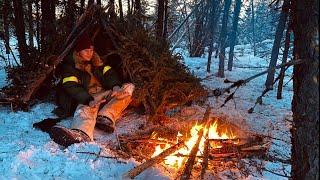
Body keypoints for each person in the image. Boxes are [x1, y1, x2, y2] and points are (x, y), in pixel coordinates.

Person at [50, 34, 134, 147]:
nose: (90, 53)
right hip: (88, 95)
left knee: (128, 88)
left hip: (104, 92)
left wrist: (115, 86)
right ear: (78, 52)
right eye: (86, 50)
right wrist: (88, 100)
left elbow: (109, 73)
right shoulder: (70, 67)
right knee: (85, 109)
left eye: (91, 50)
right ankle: (81, 133)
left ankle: (105, 117)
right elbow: (72, 86)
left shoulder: (97, 62)